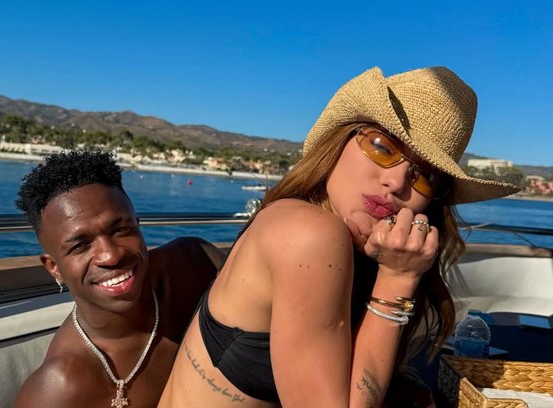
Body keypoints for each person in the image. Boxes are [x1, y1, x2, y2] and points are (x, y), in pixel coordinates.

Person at [158, 66, 520, 407]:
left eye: (424, 176)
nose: (397, 182)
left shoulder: (340, 239)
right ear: (340, 142)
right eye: (382, 147)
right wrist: (397, 278)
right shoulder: (310, 233)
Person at [13, 149, 226, 408]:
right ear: (54, 267)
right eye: (80, 245)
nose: (111, 255)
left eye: (121, 230)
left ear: (138, 225)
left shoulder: (195, 264)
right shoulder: (58, 390)